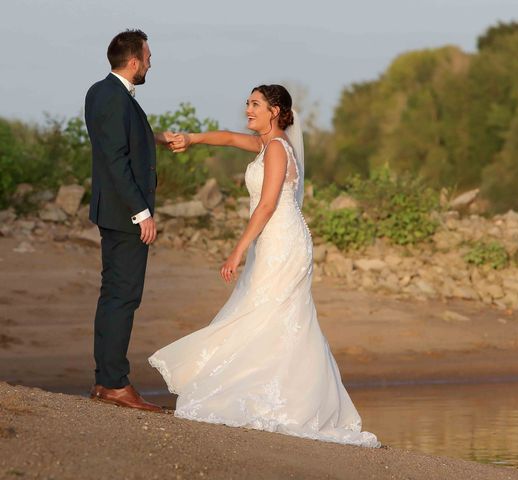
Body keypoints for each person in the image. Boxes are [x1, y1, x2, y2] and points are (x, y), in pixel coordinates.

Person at [149, 84, 379, 447]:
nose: (248, 110)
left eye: (255, 104)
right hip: (274, 240)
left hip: (282, 240)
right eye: (247, 104)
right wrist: (191, 138)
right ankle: (269, 392)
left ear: (275, 111)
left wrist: (238, 250)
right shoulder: (267, 145)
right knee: (266, 314)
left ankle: (287, 402)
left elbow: (268, 204)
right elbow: (226, 138)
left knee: (273, 315)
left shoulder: (275, 149)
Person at [84, 29, 173, 412]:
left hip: (117, 212)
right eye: (148, 57)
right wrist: (142, 213)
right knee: (123, 296)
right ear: (134, 61)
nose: (151, 62)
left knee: (115, 295)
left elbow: (118, 141)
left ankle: (109, 380)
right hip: (125, 215)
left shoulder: (104, 93)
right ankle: (114, 383)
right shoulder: (112, 96)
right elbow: (115, 160)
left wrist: (155, 138)